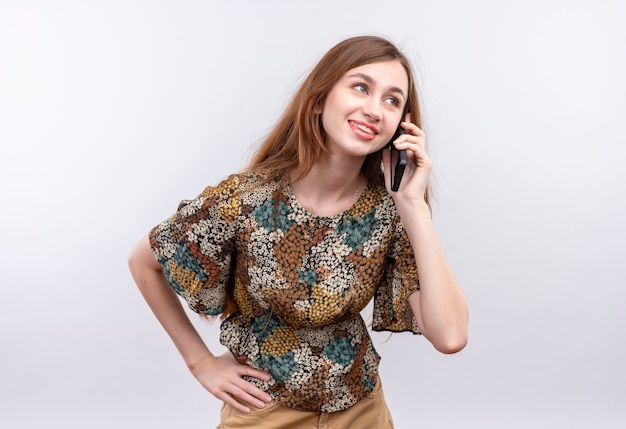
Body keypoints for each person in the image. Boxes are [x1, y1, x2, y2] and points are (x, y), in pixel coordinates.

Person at [128, 35, 468, 428]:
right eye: (361, 87)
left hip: (362, 413)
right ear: (320, 99)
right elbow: (143, 261)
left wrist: (413, 205)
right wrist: (200, 362)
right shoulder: (246, 198)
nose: (375, 109)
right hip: (264, 413)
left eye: (392, 100)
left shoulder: (391, 211)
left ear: (401, 125)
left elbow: (450, 336)